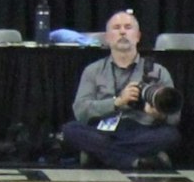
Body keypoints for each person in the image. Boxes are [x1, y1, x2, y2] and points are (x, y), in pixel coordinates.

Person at [58, 10, 182, 170]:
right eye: (116, 27)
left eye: (128, 27)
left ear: (137, 36)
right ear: (108, 38)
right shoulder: (93, 70)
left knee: (171, 135)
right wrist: (117, 102)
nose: (122, 31)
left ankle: (101, 154)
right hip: (102, 129)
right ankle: (136, 160)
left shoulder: (158, 71)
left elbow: (175, 118)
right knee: (70, 130)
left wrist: (159, 114)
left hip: (142, 129)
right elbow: (80, 111)